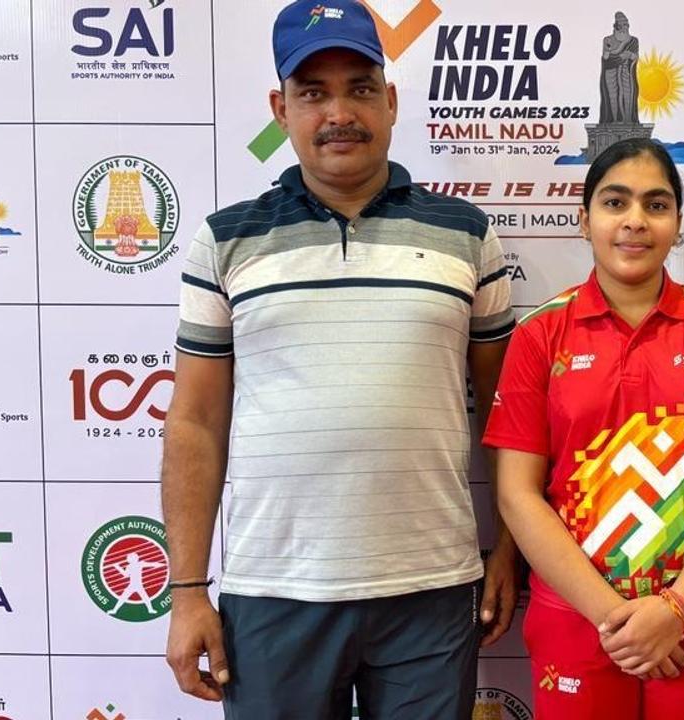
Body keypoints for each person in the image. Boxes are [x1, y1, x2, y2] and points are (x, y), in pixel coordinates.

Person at [159, 2, 519, 718]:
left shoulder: (466, 235)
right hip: (274, 594)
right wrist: (188, 590)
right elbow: (195, 421)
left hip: (433, 590)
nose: (339, 113)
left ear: (389, 101)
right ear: (281, 107)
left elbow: (509, 416)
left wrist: (507, 549)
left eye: (359, 88)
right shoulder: (225, 242)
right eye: (313, 93)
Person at [483, 138, 684, 719]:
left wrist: (675, 610)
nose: (635, 221)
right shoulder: (539, 335)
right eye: (615, 203)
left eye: (656, 204)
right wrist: (612, 618)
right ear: (584, 219)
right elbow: (518, 495)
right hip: (577, 618)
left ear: (676, 222)